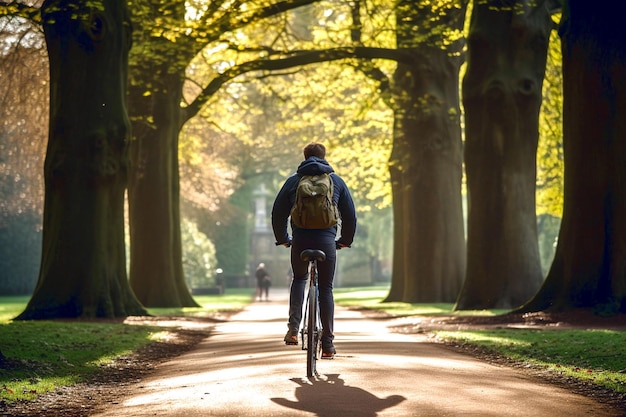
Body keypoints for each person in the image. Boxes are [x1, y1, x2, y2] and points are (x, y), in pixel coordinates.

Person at [271, 142, 357, 359]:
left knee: (299, 279)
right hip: (327, 241)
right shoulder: (335, 181)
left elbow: (278, 213)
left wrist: (283, 239)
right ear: (324, 156)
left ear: (305, 156)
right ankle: (327, 344)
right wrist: (345, 240)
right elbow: (350, 216)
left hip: (300, 240)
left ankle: (293, 329)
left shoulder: (294, 181)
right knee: (326, 288)